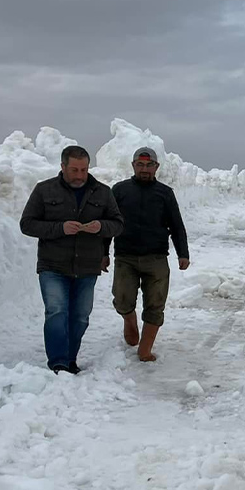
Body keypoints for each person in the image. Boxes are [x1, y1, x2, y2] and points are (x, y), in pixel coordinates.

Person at [20, 145, 124, 374]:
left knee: (80, 316)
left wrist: (100, 227)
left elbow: (118, 224)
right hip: (52, 265)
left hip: (87, 266)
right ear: (63, 167)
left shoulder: (103, 192)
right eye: (74, 170)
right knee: (56, 311)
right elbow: (27, 224)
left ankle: (70, 358)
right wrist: (60, 228)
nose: (80, 175)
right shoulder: (44, 190)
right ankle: (58, 363)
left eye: (84, 170)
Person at [102, 147, 190, 362]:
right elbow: (109, 224)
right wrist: (103, 252)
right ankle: (129, 322)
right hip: (125, 257)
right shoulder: (119, 190)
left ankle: (145, 349)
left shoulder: (165, 193)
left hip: (156, 258)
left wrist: (183, 253)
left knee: (155, 304)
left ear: (156, 167)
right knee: (122, 300)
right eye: (140, 164)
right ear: (133, 165)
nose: (144, 169)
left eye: (149, 165)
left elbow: (176, 225)